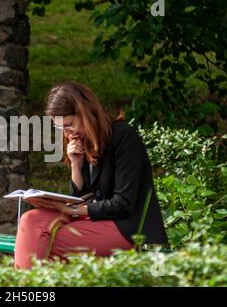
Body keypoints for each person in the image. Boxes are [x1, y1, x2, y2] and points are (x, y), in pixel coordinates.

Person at [14, 82, 168, 269]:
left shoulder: (124, 137)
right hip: (93, 219)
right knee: (30, 220)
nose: (68, 133)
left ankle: (25, 288)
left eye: (69, 125)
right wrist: (76, 164)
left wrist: (69, 210)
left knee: (42, 243)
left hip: (125, 227)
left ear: (85, 113)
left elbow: (123, 204)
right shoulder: (83, 140)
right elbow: (80, 198)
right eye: (61, 128)